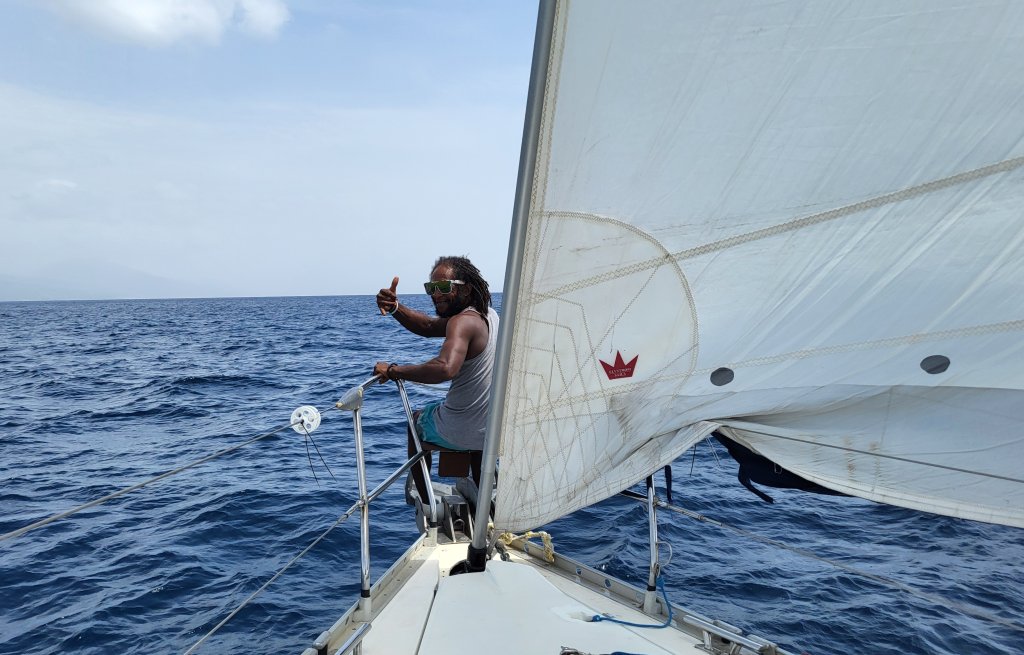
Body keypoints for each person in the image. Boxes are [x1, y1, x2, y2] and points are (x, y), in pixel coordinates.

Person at [373, 256, 498, 503]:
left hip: (460, 431)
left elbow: (445, 368)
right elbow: (429, 326)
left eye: (443, 287)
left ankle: (426, 499)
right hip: (491, 433)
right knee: (475, 438)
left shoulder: (462, 322)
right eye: (431, 288)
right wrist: (397, 308)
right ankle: (485, 500)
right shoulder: (488, 315)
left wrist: (394, 371)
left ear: (466, 288)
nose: (435, 294)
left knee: (417, 420)